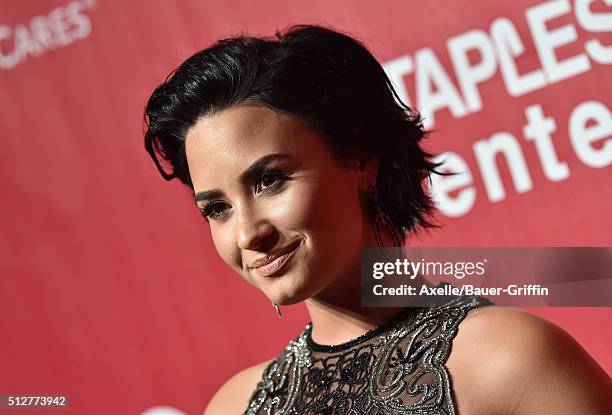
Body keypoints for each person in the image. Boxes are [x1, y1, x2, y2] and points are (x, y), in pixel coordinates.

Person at [143, 24, 612, 414]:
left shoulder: (509, 361)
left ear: (362, 158)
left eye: (270, 180)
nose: (248, 233)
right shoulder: (232, 407)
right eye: (216, 209)